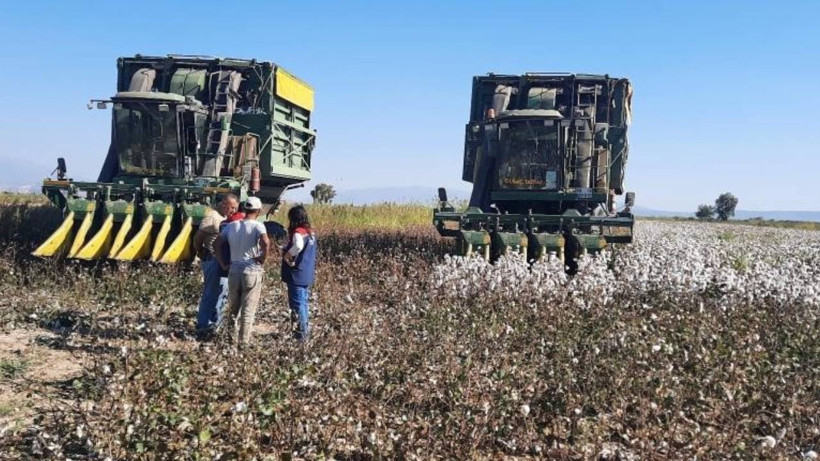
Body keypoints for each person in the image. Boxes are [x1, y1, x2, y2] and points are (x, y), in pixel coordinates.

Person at [214, 197, 270, 346]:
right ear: (258, 211)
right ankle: (243, 343)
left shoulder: (232, 226)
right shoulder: (258, 226)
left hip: (234, 269)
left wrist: (223, 263)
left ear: (244, 209)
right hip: (251, 270)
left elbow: (216, 244)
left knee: (233, 307)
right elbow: (265, 242)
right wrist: (262, 258)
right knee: (248, 310)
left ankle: (228, 338)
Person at [192, 194, 238, 337]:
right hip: (212, 260)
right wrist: (200, 252)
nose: (234, 211)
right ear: (224, 204)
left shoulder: (226, 219)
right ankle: (202, 325)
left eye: (235, 208)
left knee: (222, 294)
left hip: (222, 262)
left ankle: (214, 325)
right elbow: (198, 238)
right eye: (232, 208)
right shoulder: (212, 217)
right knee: (210, 294)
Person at [281, 205, 317, 342]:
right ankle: (305, 331)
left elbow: (298, 246)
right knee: (304, 303)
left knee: (297, 305)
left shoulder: (298, 233)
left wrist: (287, 256)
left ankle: (300, 336)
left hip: (296, 274)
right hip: (306, 273)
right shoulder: (311, 232)